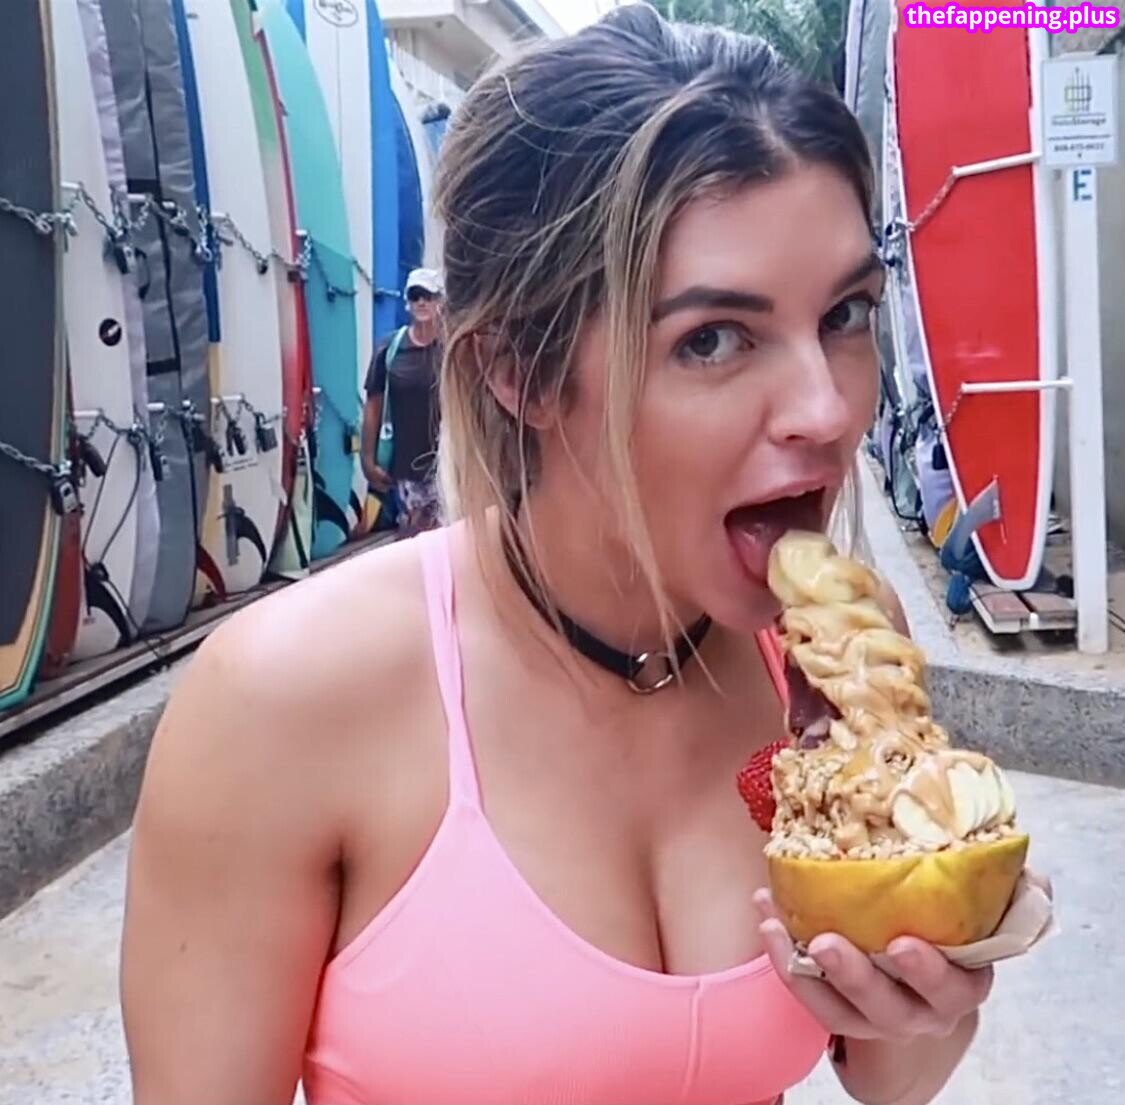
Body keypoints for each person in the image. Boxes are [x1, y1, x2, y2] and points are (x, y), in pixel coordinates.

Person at [120, 7, 995, 1104]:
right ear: (518, 372)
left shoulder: (837, 672)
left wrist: (933, 990)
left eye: (846, 313)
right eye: (712, 339)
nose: (825, 410)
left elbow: (886, 1076)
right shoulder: (282, 703)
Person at [361, 267, 444, 537]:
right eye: (415, 295)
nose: (422, 302)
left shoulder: (453, 347)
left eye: (428, 295)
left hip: (448, 464)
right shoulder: (389, 349)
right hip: (406, 468)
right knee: (415, 537)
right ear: (407, 302)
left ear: (440, 301)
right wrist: (368, 459)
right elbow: (373, 406)